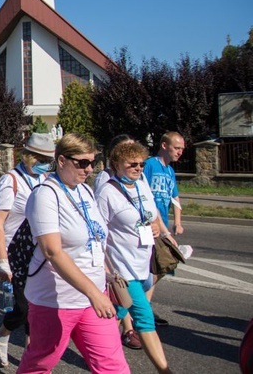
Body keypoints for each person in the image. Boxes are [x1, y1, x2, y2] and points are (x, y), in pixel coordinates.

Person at [17, 133, 129, 374]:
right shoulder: (45, 195)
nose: (88, 169)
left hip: (94, 297)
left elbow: (95, 237)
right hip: (55, 300)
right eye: (82, 162)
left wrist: (106, 274)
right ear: (61, 161)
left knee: (113, 367)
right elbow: (52, 251)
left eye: (92, 162)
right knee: (40, 364)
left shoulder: (85, 192)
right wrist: (93, 293)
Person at [96, 141, 174, 373]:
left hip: (144, 263)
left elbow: (153, 212)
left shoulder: (142, 184)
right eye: (132, 164)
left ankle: (101, 354)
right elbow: (98, 231)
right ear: (117, 164)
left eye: (141, 164)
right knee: (144, 317)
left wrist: (160, 229)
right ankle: (165, 370)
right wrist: (105, 269)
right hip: (122, 268)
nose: (138, 168)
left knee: (117, 313)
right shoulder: (107, 192)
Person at [0, 132, 55, 367]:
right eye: (43, 159)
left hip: (39, 253)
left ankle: (32, 360)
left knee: (38, 308)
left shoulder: (46, 179)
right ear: (29, 157)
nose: (47, 164)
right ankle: (2, 334)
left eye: (50, 160)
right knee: (22, 307)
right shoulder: (11, 180)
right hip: (15, 253)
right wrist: (2, 260)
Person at [143, 131, 185, 327]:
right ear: (164, 146)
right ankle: (140, 309)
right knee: (159, 265)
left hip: (163, 225)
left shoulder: (170, 171)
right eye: (177, 148)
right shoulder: (150, 165)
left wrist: (177, 221)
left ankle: (144, 306)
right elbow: (143, 192)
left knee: (161, 267)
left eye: (182, 149)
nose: (180, 152)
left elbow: (174, 197)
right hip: (149, 225)